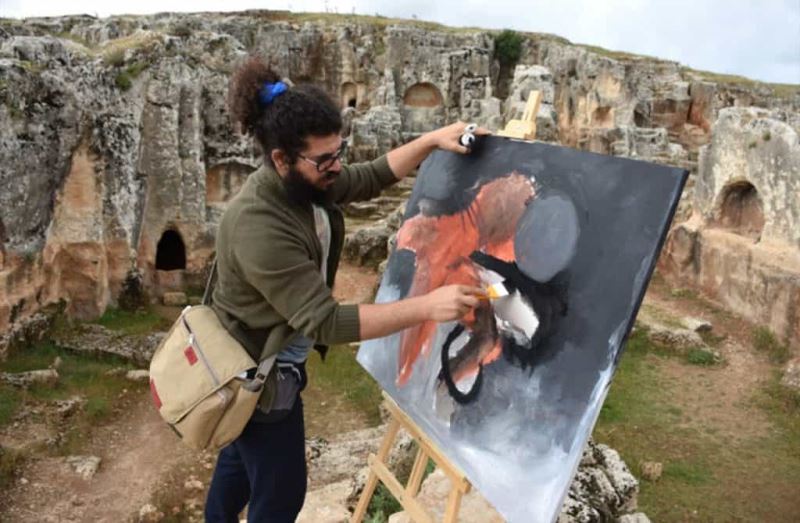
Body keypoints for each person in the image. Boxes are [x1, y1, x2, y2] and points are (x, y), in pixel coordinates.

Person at [204, 56, 488, 523]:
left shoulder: (306, 184)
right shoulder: (259, 224)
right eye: (325, 159)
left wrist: (433, 140)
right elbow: (327, 321)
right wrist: (428, 306)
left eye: (340, 150)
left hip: (261, 372)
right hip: (256, 376)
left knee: (238, 462)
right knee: (281, 497)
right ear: (281, 159)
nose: (338, 166)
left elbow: (371, 175)